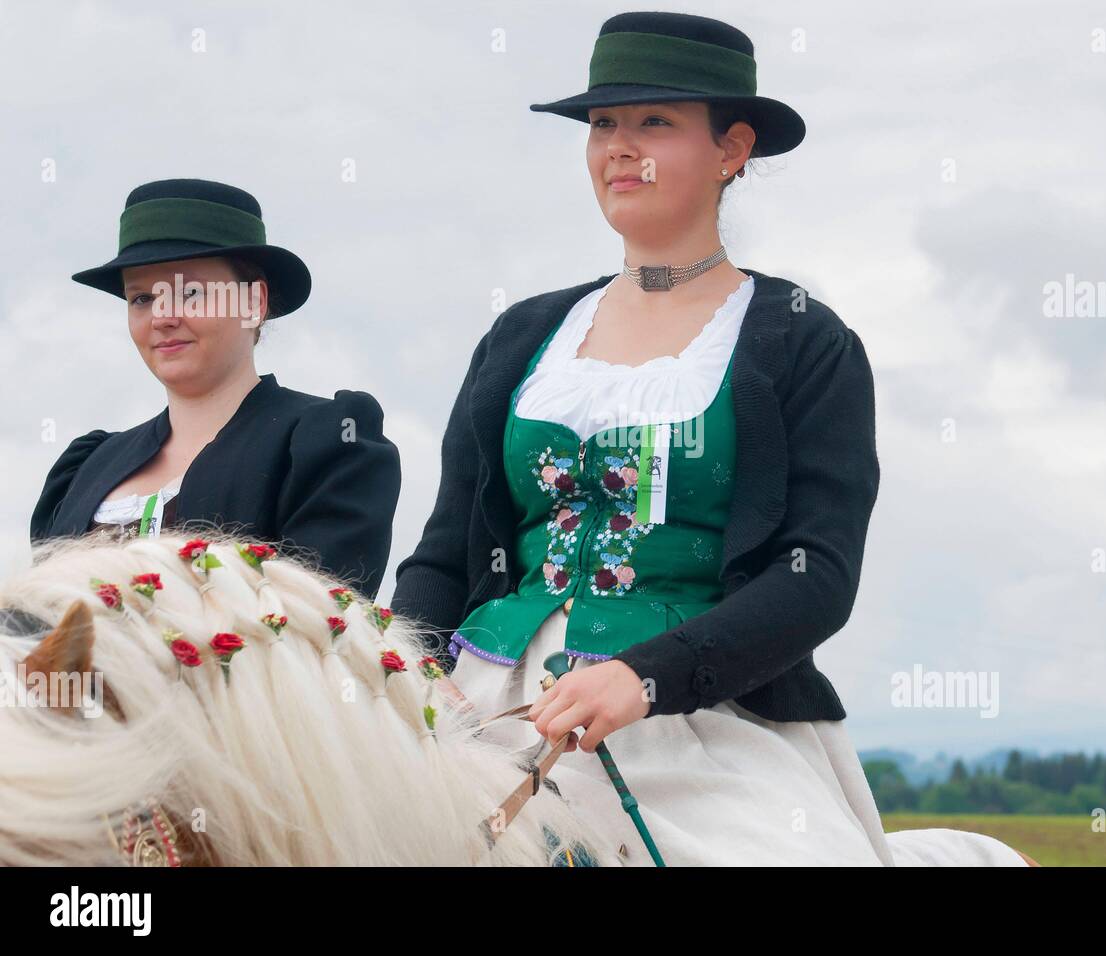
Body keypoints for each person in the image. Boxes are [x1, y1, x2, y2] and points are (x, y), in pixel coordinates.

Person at [392, 12, 1032, 865]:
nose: (619, 147)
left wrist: (642, 676)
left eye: (654, 122)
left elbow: (817, 577)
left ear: (732, 148)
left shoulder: (804, 340)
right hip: (487, 702)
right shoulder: (522, 335)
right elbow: (442, 556)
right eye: (603, 125)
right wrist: (394, 675)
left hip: (703, 718)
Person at [30, 178, 400, 600]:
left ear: (253, 304)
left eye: (190, 292)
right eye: (141, 299)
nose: (162, 317)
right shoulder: (86, 467)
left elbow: (315, 629)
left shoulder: (327, 444)